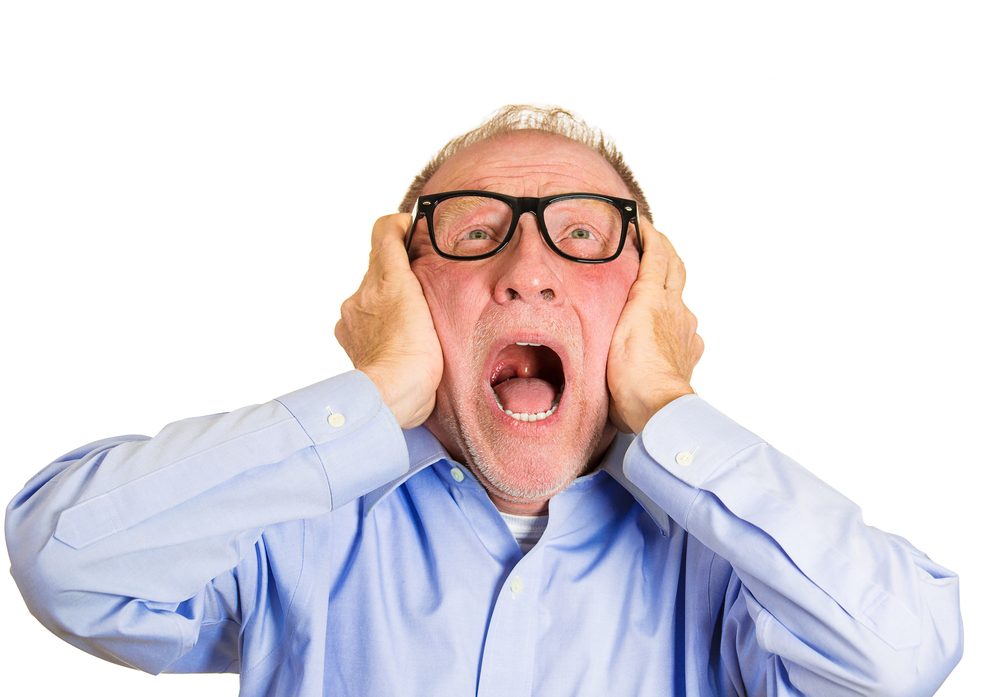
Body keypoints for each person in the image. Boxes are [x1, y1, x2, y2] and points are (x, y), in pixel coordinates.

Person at [6, 106, 962, 696]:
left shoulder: (737, 569)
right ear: (407, 288)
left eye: (585, 235)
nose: (528, 270)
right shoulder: (286, 524)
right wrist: (379, 391)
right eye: (473, 232)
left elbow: (901, 655)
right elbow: (66, 560)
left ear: (646, 297)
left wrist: (667, 403)